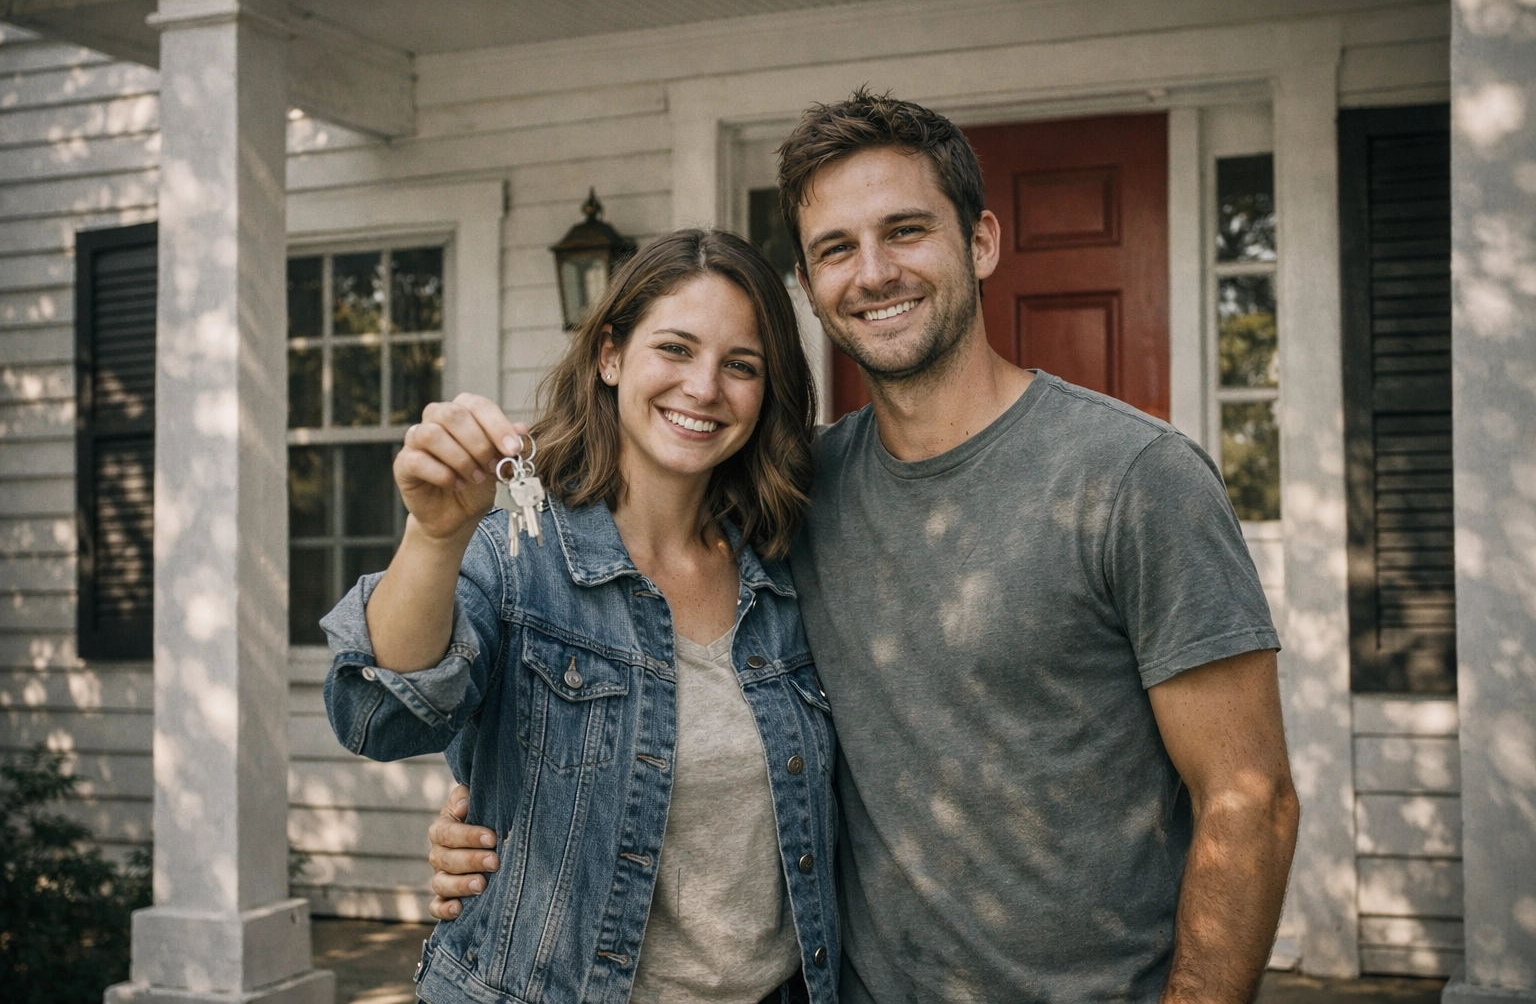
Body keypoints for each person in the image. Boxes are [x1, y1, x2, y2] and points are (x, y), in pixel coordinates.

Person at [428, 91, 1302, 1004]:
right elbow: (643, 667)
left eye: (906, 230)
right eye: (836, 248)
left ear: (981, 242)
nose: (874, 272)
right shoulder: (794, 495)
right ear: (808, 287)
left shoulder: (1135, 478)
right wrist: (494, 821)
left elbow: (1252, 800)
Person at [320, 228, 838, 1004]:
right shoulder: (518, 559)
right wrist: (434, 536)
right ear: (610, 356)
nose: (704, 387)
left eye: (741, 365)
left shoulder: (789, 571)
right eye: (675, 348)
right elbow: (378, 718)